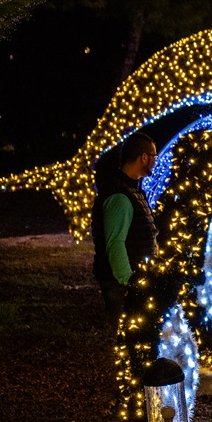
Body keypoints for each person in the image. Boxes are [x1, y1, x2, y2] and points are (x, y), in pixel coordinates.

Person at [91, 132, 158, 326]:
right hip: (122, 287)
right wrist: (129, 285)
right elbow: (115, 244)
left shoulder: (132, 191)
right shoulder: (120, 195)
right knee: (131, 341)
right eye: (153, 156)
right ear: (144, 157)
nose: (155, 161)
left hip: (135, 283)